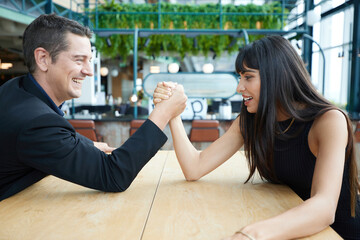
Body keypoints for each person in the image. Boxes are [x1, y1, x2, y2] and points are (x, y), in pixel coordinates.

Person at [153, 35, 359, 239]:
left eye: (248, 77)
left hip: (335, 233)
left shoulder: (328, 121)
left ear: (277, 76)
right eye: (240, 77)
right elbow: (194, 167)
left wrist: (250, 234)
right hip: (285, 225)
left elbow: (324, 207)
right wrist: (172, 112)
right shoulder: (251, 120)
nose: (239, 87)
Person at [0, 14, 187, 201]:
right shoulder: (36, 123)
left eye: (89, 60)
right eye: (79, 60)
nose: (89, 71)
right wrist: (164, 112)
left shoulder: (14, 89)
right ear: (43, 59)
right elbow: (113, 175)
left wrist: (88, 145)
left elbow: (54, 140)